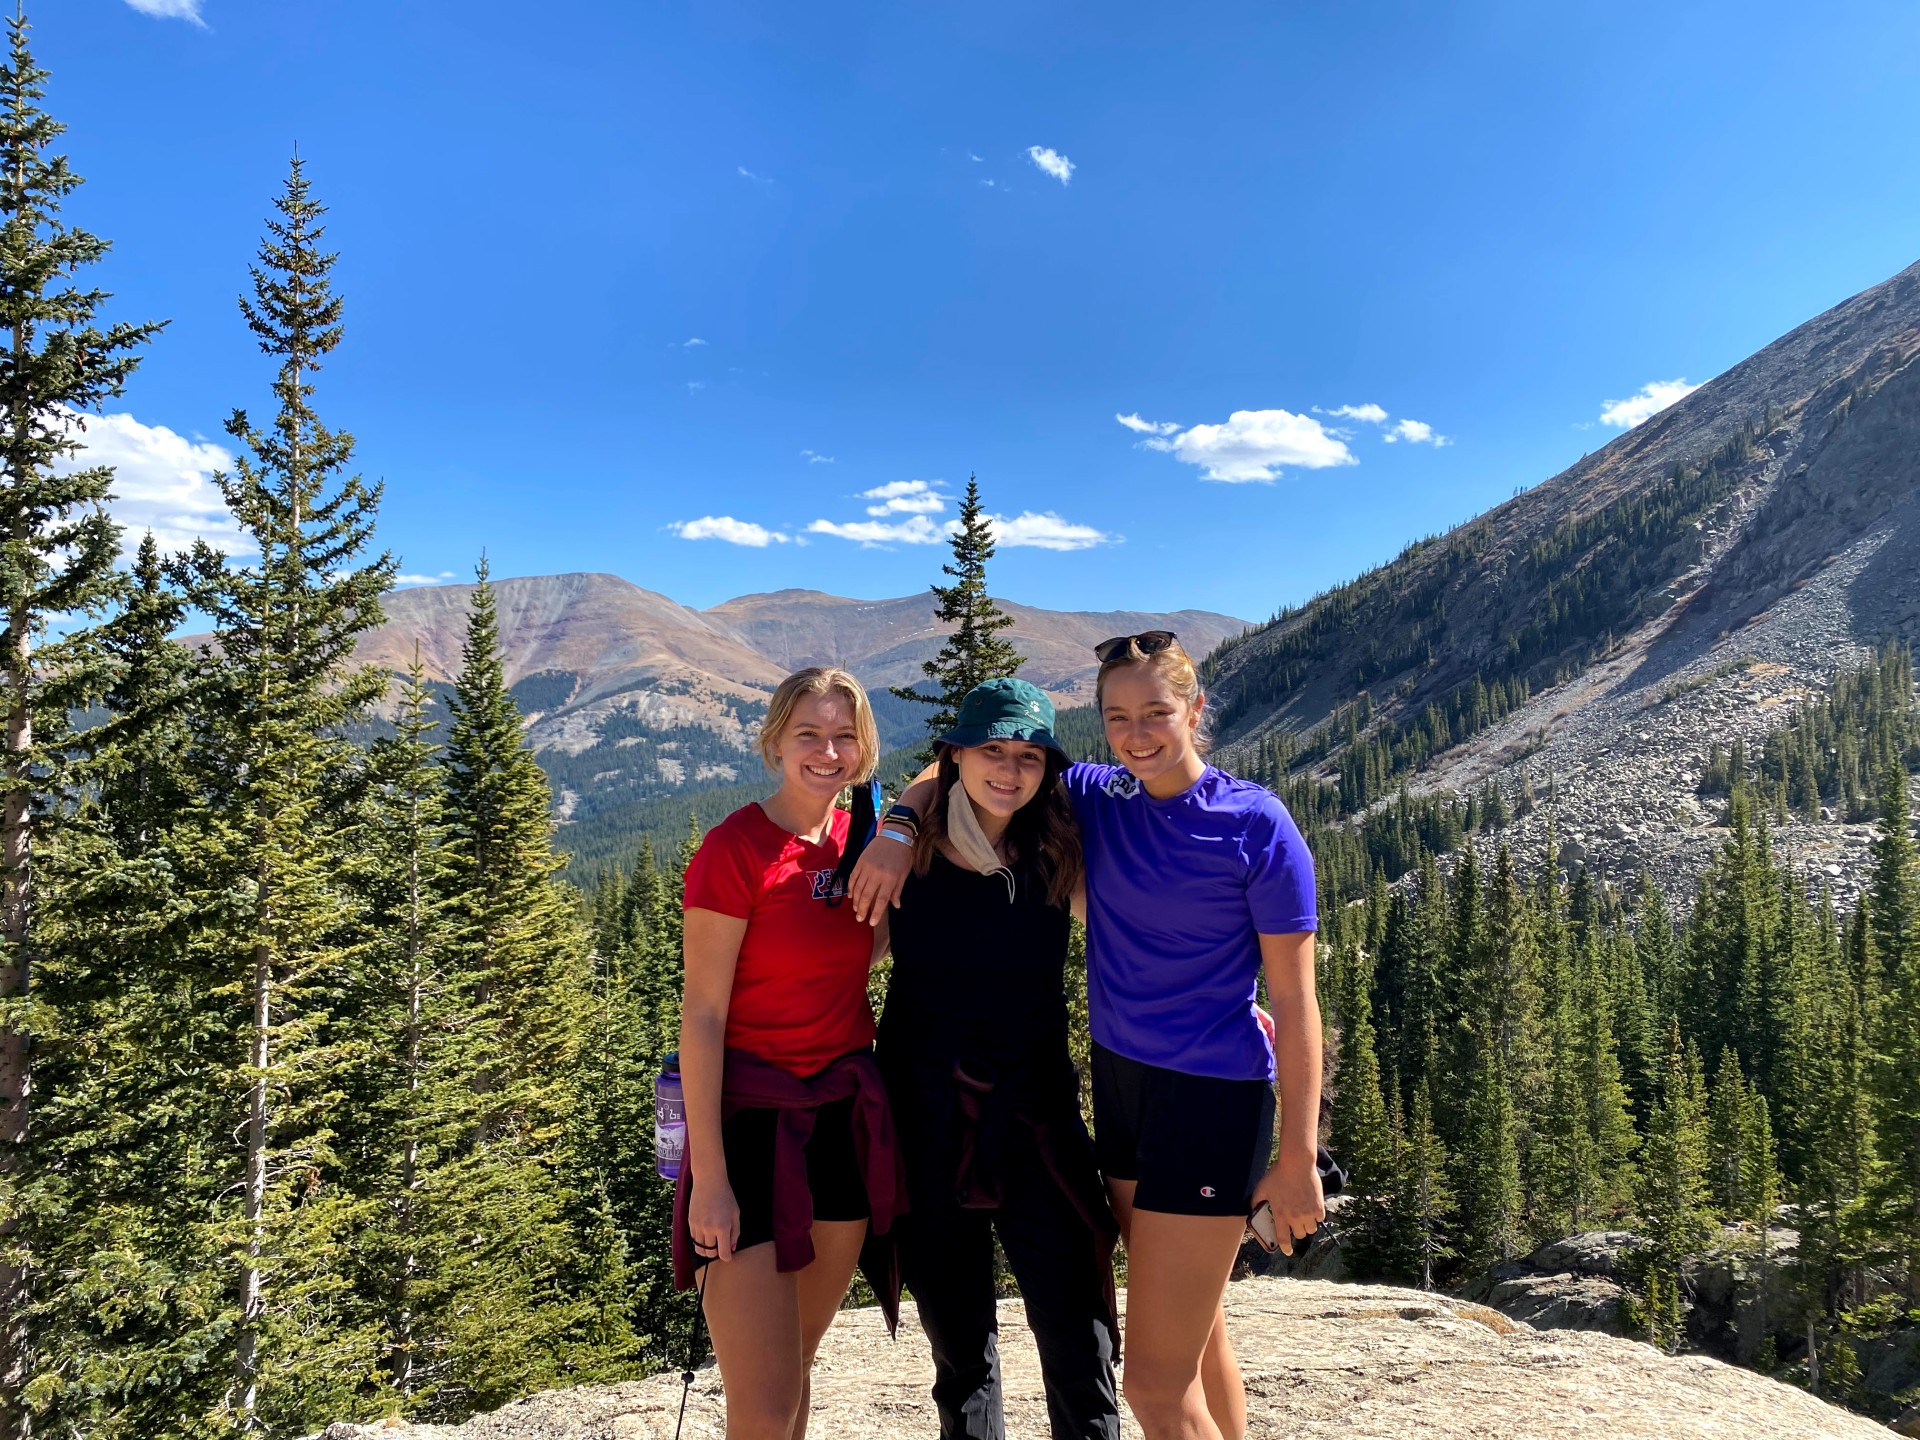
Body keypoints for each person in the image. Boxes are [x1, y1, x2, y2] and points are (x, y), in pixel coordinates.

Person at [851, 635, 1323, 1440]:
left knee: (1146, 1380)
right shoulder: (1097, 798)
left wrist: (1300, 1156)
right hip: (1120, 1094)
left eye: (1156, 713)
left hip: (1209, 1098)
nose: (1137, 733)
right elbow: (953, 766)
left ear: (1195, 711)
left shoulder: (1250, 823)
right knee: (1195, 1326)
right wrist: (897, 823)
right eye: (1118, 718)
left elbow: (1297, 997)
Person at [875, 677, 1120, 1440]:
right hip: (925, 1122)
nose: (1010, 771)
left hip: (1037, 1121)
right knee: (961, 1359)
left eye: (1029, 755)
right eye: (991, 750)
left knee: (1081, 1346)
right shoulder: (903, 860)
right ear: (955, 754)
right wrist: (895, 823)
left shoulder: (1059, 846)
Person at [675, 666, 906, 1440]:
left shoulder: (864, 841)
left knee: (794, 1374)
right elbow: (702, 1016)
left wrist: (903, 834)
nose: (828, 750)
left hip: (841, 1120)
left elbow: (855, 951)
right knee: (765, 1405)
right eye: (809, 732)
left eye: (846, 736)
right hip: (749, 1127)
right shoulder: (734, 849)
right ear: (774, 740)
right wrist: (709, 1180)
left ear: (865, 749)